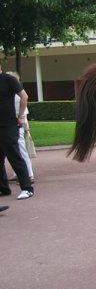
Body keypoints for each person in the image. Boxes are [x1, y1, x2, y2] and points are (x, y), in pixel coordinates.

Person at [0, 65, 34, 200]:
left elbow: (24, 96)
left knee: (14, 156)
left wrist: (21, 116)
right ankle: (3, 188)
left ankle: (27, 188)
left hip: (8, 125)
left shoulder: (8, 79)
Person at [6, 72, 34, 184]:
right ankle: (17, 173)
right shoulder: (13, 95)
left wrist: (26, 127)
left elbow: (23, 114)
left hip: (17, 127)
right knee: (13, 151)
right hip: (12, 126)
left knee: (21, 151)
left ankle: (29, 175)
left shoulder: (17, 96)